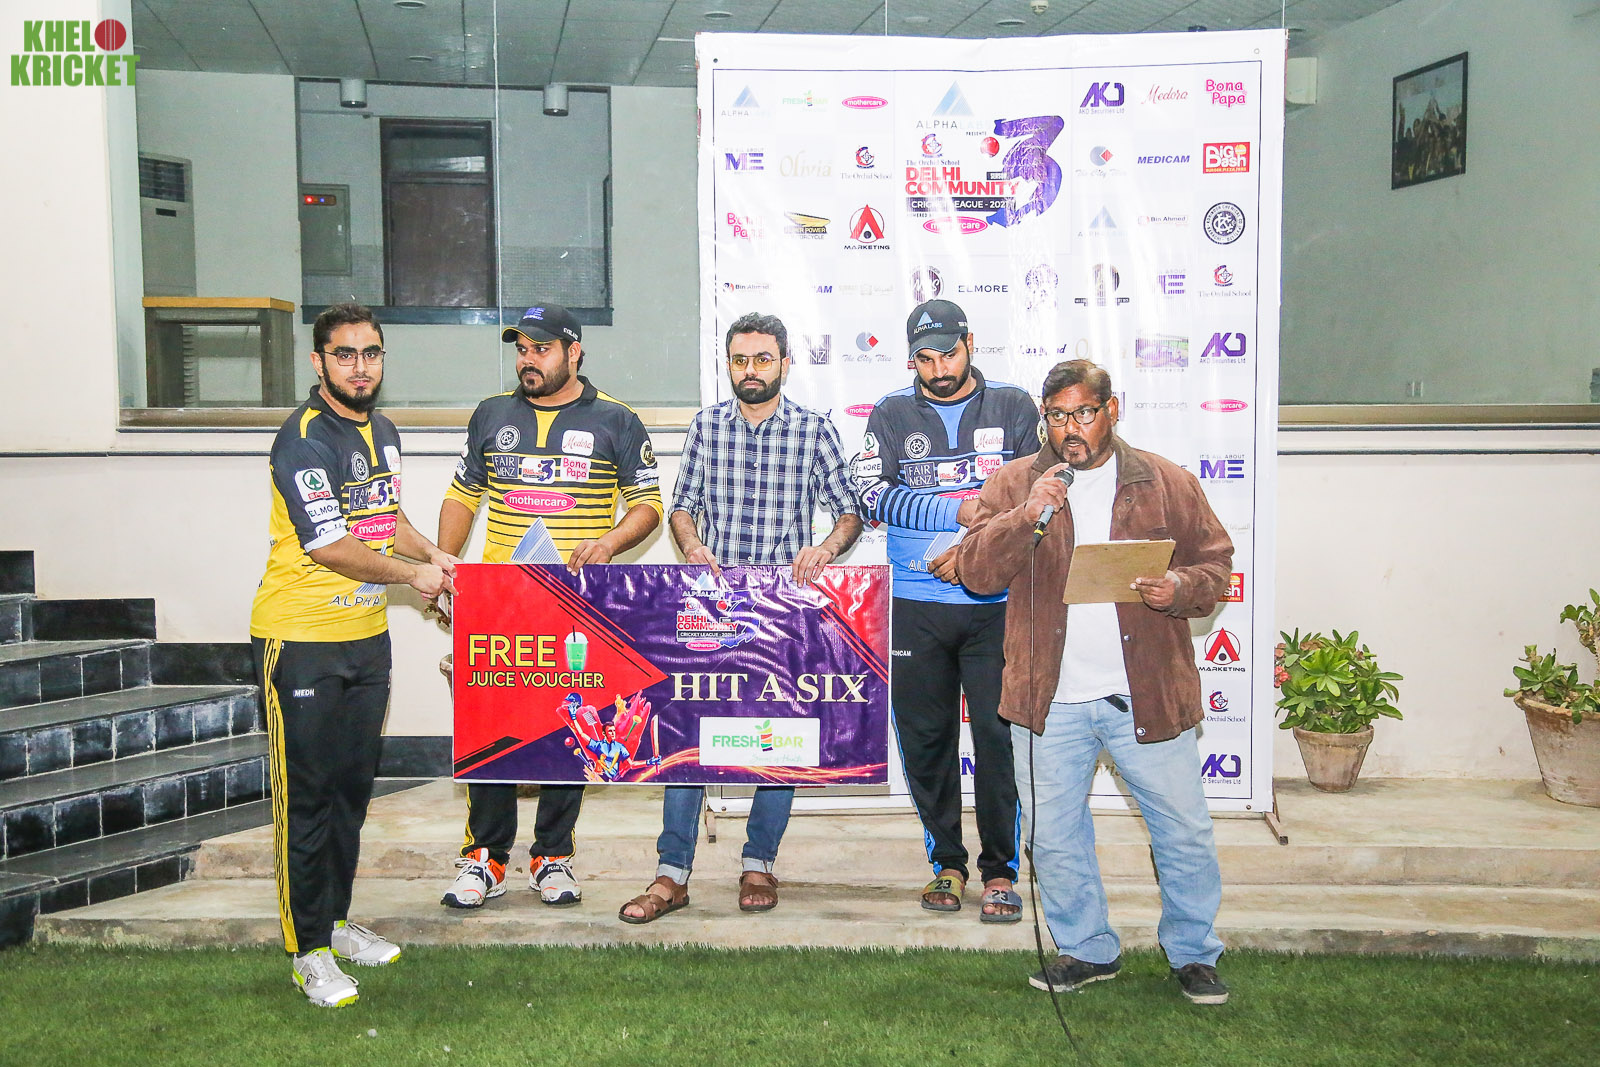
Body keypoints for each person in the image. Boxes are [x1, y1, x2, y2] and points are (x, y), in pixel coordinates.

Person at [957, 359, 1235, 1006]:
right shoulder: (1016, 482)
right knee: (1053, 837)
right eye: (1057, 416)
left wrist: (1179, 587)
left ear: (1112, 410)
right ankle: (1086, 948)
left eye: (1083, 412)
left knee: (1183, 832)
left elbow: (1215, 566)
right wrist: (1027, 513)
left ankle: (1194, 953)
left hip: (1146, 693)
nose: (1070, 428)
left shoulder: (1165, 481)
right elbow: (976, 571)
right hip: (1047, 699)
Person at [618, 311, 862, 923]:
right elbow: (682, 507)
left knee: (780, 737)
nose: (751, 371)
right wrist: (691, 546)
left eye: (762, 359)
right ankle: (672, 874)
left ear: (785, 363)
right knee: (686, 735)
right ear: (728, 365)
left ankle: (759, 863)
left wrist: (825, 549)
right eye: (740, 360)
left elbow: (850, 510)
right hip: (712, 609)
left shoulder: (813, 430)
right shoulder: (707, 426)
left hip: (784, 614)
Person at [249, 302, 459, 1008]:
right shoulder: (303, 438)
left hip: (366, 639)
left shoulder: (383, 430)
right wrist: (414, 576)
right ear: (319, 362)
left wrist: (434, 555)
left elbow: (382, 519)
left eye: (371, 353)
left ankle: (335, 924)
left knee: (349, 793)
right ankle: (306, 950)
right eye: (345, 354)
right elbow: (331, 545)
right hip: (301, 641)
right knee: (305, 799)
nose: (360, 367)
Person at [437, 303, 662, 910]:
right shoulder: (492, 414)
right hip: (499, 603)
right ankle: (484, 858)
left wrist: (609, 542)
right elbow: (462, 496)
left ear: (574, 352)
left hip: (575, 607)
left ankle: (552, 857)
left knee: (571, 724)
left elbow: (648, 505)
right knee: (490, 728)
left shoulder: (616, 419)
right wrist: (444, 564)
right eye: (522, 349)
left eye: (541, 349)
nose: (528, 360)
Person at [856, 299, 1041, 920]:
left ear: (971, 343)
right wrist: (954, 509)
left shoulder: (1014, 407)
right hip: (915, 604)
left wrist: (977, 539)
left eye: (948, 354)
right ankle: (948, 864)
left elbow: (1038, 496)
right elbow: (870, 494)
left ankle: (1000, 871)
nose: (938, 369)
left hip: (998, 604)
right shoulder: (890, 413)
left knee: (997, 739)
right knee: (926, 739)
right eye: (925, 359)